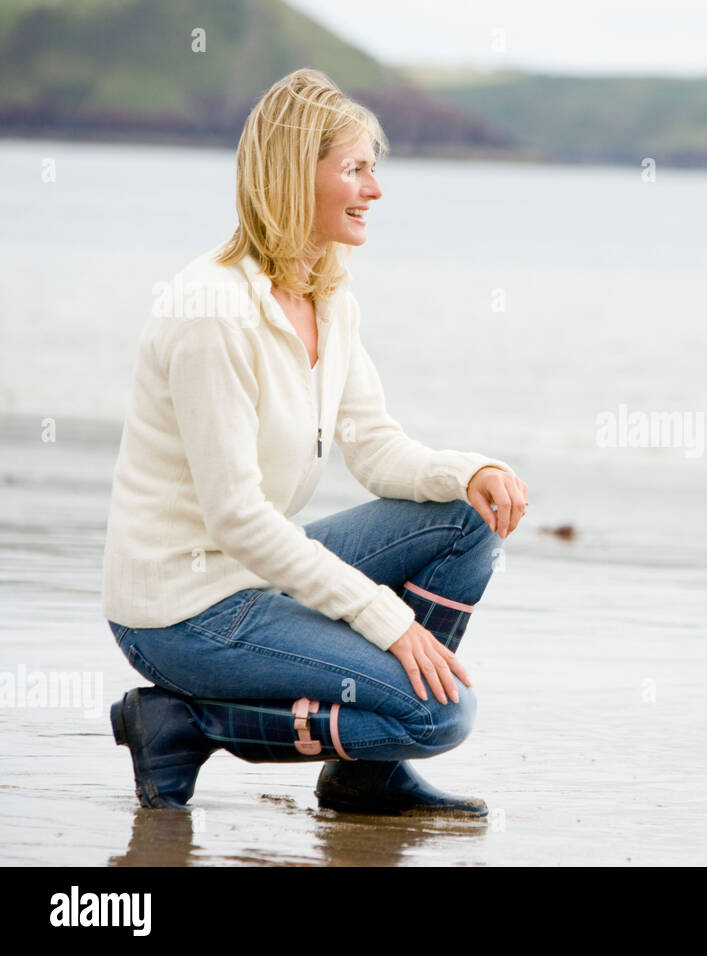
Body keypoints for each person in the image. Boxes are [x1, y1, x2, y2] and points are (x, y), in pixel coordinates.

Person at [101, 68, 528, 817]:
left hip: (251, 575)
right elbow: (237, 517)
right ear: (298, 174)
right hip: (180, 612)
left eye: (375, 168)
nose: (376, 189)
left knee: (466, 518)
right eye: (356, 168)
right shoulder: (213, 313)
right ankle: (181, 722)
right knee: (440, 714)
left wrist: (473, 471)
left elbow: (375, 450)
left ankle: (370, 773)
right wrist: (389, 625)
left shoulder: (329, 298)